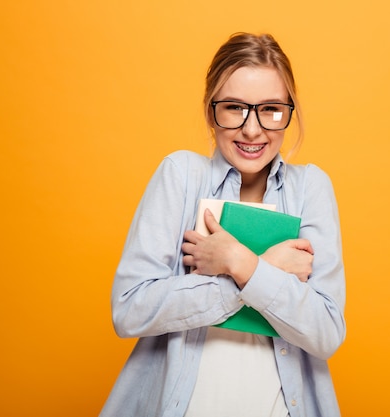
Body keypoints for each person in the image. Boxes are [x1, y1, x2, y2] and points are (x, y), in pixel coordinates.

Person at [100, 32, 346, 417]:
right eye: (234, 108)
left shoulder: (311, 187)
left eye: (271, 109)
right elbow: (130, 309)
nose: (252, 129)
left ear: (289, 111)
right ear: (210, 110)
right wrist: (263, 271)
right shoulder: (180, 175)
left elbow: (326, 332)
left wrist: (240, 262)